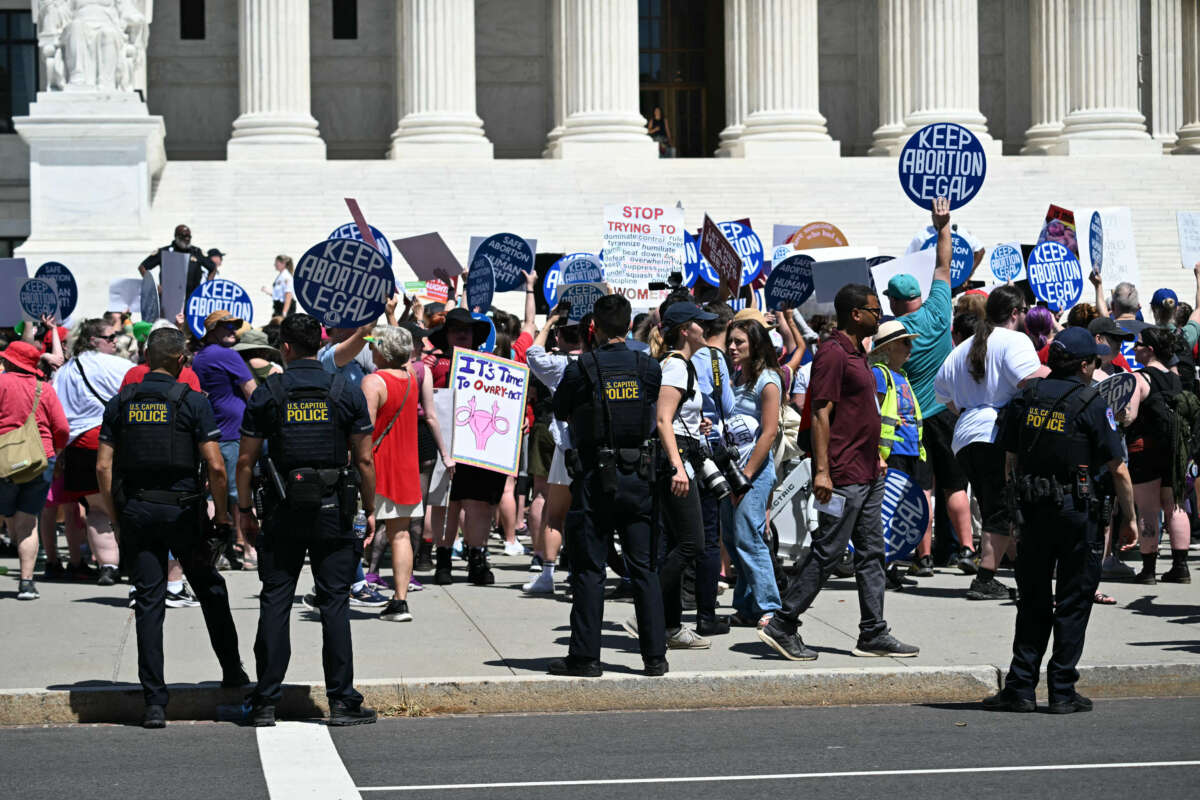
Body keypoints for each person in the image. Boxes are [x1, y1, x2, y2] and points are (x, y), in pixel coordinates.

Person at [95, 327, 248, 729]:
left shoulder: (121, 402)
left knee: (149, 602)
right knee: (210, 588)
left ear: (146, 358)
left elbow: (103, 467)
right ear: (181, 360)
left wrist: (116, 516)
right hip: (183, 513)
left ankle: (154, 703)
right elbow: (216, 465)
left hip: (138, 512)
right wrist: (221, 516)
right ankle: (233, 672)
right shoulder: (192, 401)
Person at [983, 328, 1137, 714]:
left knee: (1032, 599)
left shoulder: (1026, 397)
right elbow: (1118, 469)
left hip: (1033, 512)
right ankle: (1062, 691)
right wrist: (1130, 520)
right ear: (1085, 365)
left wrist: (1016, 510)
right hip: (1077, 514)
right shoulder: (1091, 403)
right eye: (1095, 362)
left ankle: (1020, 688)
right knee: (1073, 600)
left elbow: (1010, 460)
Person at [761, 284, 918, 661]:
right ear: (855, 314)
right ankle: (784, 623)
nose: (879, 316)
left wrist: (876, 460)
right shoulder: (832, 353)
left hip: (866, 472)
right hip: (842, 475)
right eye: (874, 310)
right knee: (829, 550)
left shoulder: (857, 352)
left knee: (871, 553)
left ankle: (873, 632)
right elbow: (820, 414)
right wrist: (823, 473)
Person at [236, 313, 378, 727]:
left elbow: (245, 460)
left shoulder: (269, 392)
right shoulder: (343, 389)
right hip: (335, 510)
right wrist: (369, 510)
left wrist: (243, 512)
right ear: (319, 344)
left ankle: (265, 701)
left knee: (275, 601)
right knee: (334, 603)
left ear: (284, 347)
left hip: (281, 513)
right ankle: (341, 702)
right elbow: (365, 458)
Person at [549, 294, 667, 677]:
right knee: (644, 568)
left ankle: (585, 657)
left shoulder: (581, 368)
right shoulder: (648, 368)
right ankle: (654, 657)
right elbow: (647, 403)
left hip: (594, 479)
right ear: (629, 327)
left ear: (593, 328)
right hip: (638, 476)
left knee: (589, 569)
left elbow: (562, 409)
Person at [935, 285, 1050, 601]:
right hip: (995, 433)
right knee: (1000, 507)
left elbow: (943, 395)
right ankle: (985, 578)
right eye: (1024, 311)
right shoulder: (1014, 340)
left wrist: (972, 406)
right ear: (1015, 313)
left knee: (992, 505)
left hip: (965, 436)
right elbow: (1030, 380)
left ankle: (1012, 565)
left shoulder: (962, 348)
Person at [889, 199, 978, 574]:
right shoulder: (940, 308)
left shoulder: (893, 335)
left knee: (920, 488)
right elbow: (944, 265)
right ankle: (968, 550)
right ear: (919, 296)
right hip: (945, 412)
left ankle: (922, 557)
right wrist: (943, 226)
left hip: (912, 418)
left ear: (893, 303)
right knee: (955, 485)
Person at [630, 302, 717, 650]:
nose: (706, 329)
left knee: (678, 542)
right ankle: (646, 611)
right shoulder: (677, 366)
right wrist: (678, 465)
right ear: (685, 330)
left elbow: (671, 416)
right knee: (692, 543)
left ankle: (669, 625)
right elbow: (663, 420)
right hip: (675, 459)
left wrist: (698, 424)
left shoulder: (676, 364)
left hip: (676, 453)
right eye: (701, 324)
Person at [362, 325, 450, 622]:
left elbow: (365, 431)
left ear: (383, 350)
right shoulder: (412, 378)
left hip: (378, 466)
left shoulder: (374, 381)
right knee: (399, 534)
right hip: (406, 465)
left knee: (360, 532)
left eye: (374, 345)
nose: (370, 349)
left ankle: (346, 588)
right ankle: (400, 601)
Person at [53, 318, 134, 586]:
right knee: (127, 506)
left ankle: (108, 566)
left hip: (79, 446)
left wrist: (60, 452)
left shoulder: (63, 372)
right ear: (93, 340)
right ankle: (132, 563)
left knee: (97, 509)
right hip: (113, 444)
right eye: (110, 337)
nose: (115, 341)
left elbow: (58, 415)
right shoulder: (119, 366)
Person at [720, 318, 783, 630]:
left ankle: (770, 607)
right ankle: (746, 607)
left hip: (752, 473)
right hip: (732, 469)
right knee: (732, 538)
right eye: (730, 341)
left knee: (749, 537)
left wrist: (743, 477)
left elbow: (769, 433)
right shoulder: (736, 376)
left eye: (739, 342)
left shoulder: (768, 381)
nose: (731, 347)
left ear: (755, 344)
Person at [1122, 326, 1192, 584]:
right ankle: (1181, 567)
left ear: (1149, 349)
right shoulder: (1175, 377)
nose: (1134, 348)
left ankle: (1149, 569)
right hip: (1175, 450)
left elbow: (1128, 418)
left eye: (1138, 344)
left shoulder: (1140, 378)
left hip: (1145, 450)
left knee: (1148, 510)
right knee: (1175, 506)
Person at [0, 341, 69, 602]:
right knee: (28, 521)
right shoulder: (45, 389)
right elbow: (61, 428)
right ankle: (26, 583)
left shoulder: (1, 383)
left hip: (3, 460)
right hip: (39, 460)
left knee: (9, 515)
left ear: (11, 362)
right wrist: (58, 451)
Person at [192, 311, 259, 571]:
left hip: (214, 433)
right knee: (238, 494)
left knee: (214, 494)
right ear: (211, 330)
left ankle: (221, 550)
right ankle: (249, 552)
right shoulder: (227, 355)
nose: (233, 330)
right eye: (226, 326)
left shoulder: (201, 357)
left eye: (234, 326)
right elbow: (252, 391)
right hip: (234, 434)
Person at [869, 320, 933, 576]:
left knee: (899, 513)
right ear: (889, 347)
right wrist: (877, 454)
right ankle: (881, 566)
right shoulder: (880, 374)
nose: (911, 347)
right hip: (890, 453)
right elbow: (873, 414)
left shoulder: (902, 376)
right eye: (905, 342)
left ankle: (890, 564)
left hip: (909, 453)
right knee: (887, 513)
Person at [138, 224, 215, 300]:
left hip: (192, 298)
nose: (187, 239)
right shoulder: (164, 252)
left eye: (189, 236)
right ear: (176, 236)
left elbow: (213, 268)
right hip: (169, 298)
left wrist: (206, 287)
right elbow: (142, 267)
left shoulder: (197, 252)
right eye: (184, 236)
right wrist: (154, 286)